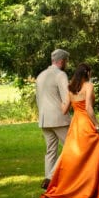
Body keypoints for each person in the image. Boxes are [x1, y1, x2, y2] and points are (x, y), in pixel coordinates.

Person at [41, 63, 99, 198]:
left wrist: (54, 99)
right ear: (88, 73)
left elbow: (64, 109)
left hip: (75, 125)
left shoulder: (70, 88)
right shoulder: (88, 86)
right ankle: (86, 187)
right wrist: (97, 125)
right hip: (85, 123)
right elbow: (89, 108)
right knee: (89, 155)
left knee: (75, 157)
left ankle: (73, 185)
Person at [36, 49, 71, 190]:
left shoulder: (41, 75)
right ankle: (50, 177)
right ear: (62, 61)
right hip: (59, 118)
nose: (66, 64)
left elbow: (38, 99)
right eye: (66, 62)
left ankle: (48, 185)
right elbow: (66, 98)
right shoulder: (61, 75)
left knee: (50, 151)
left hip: (44, 118)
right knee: (70, 146)